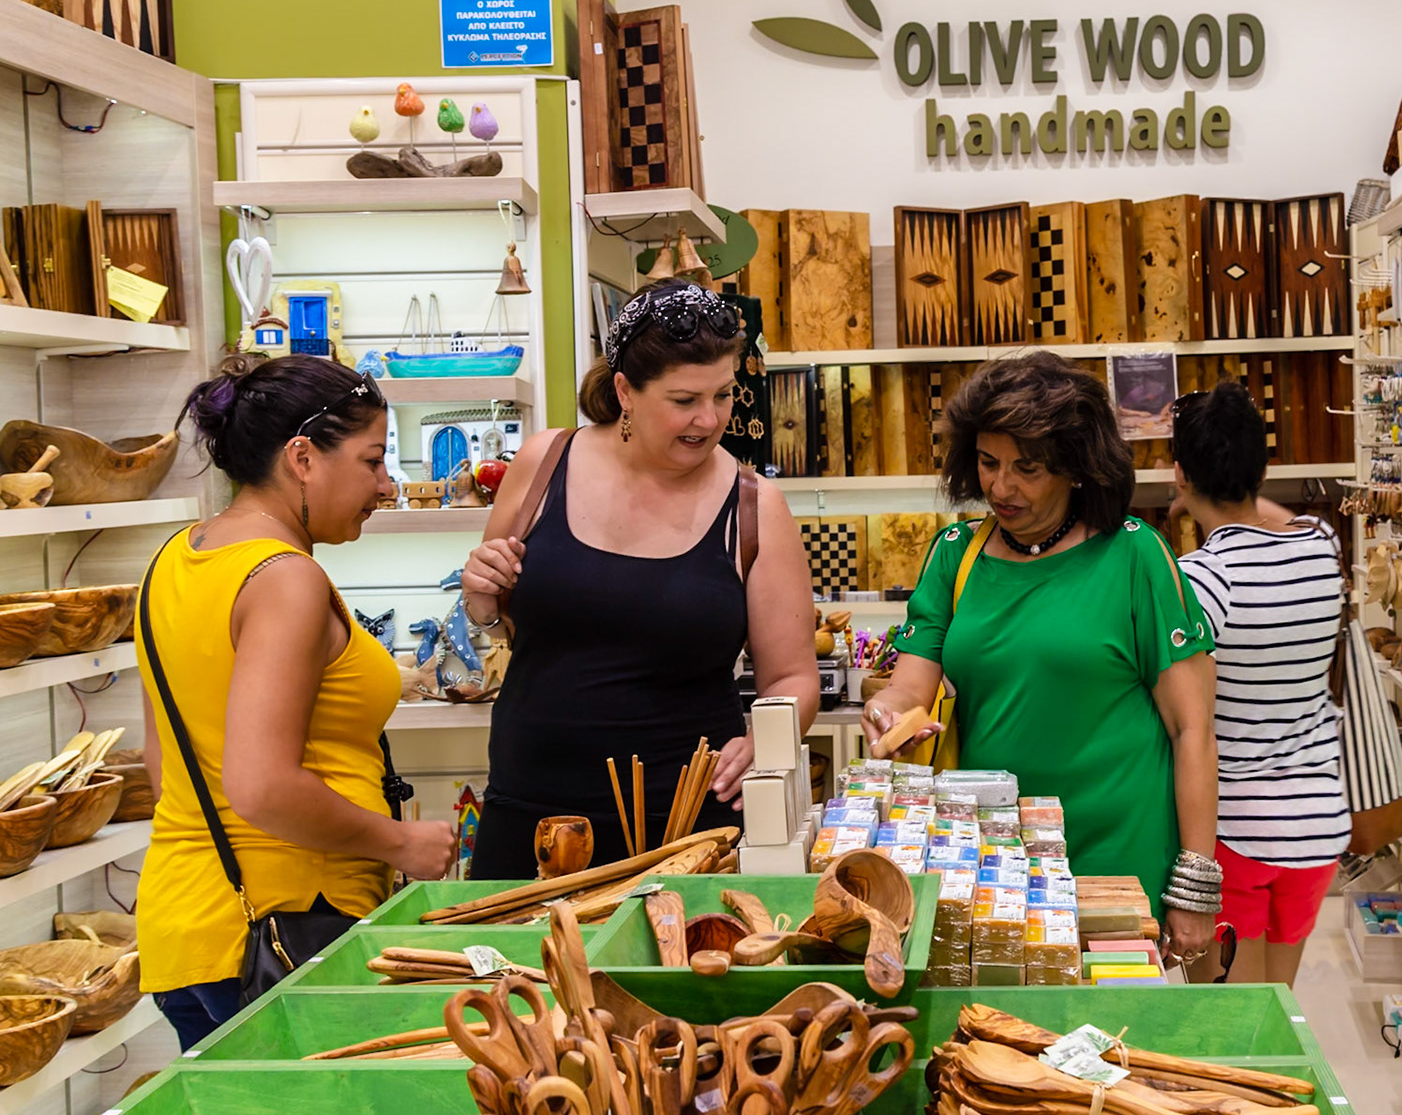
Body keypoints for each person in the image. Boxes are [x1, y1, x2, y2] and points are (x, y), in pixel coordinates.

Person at [859, 352, 1221, 967]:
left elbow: (1194, 731)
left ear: (1076, 469)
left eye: (1028, 469)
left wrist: (1195, 886)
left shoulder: (1134, 556)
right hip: (997, 862)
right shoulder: (955, 555)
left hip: (1120, 864)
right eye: (988, 462)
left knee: (1118, 1046)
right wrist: (886, 712)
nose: (1001, 487)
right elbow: (910, 686)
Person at [137, 354, 457, 1049]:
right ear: (303, 457)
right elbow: (260, 786)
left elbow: (167, 769)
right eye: (372, 460)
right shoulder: (285, 579)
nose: (386, 483)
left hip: (185, 929)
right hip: (289, 928)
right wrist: (400, 842)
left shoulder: (173, 561)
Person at [462, 281, 818, 876]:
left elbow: (792, 675)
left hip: (685, 826)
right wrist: (481, 598)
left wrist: (767, 736)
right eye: (684, 400)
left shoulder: (755, 508)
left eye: (724, 396)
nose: (709, 420)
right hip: (532, 810)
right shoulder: (544, 462)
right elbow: (503, 626)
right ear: (625, 390)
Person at [1170, 381, 1349, 986]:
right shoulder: (1321, 548)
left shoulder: (1201, 580)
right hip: (1318, 825)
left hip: (1238, 831)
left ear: (1180, 475)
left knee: (1227, 1024)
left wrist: (1194, 508)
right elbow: (1276, 518)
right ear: (1261, 468)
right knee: (1279, 1002)